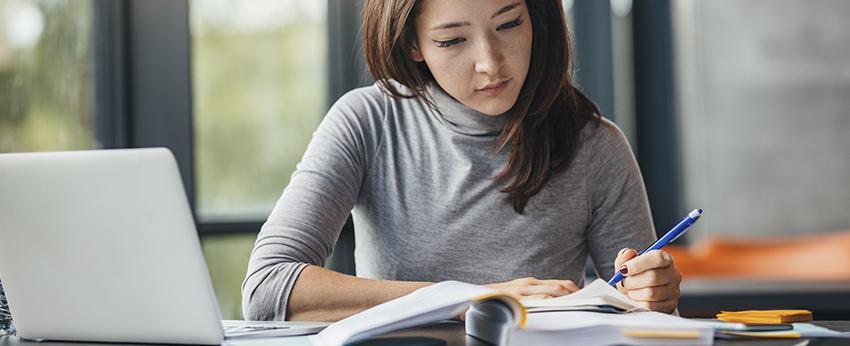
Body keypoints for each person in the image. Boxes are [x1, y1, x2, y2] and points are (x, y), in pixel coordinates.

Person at [242, 0, 682, 322]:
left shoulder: (595, 146)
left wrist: (654, 298)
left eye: (509, 24)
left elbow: (647, 323)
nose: (490, 64)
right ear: (413, 44)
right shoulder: (368, 122)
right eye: (452, 40)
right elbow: (267, 288)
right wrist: (470, 298)